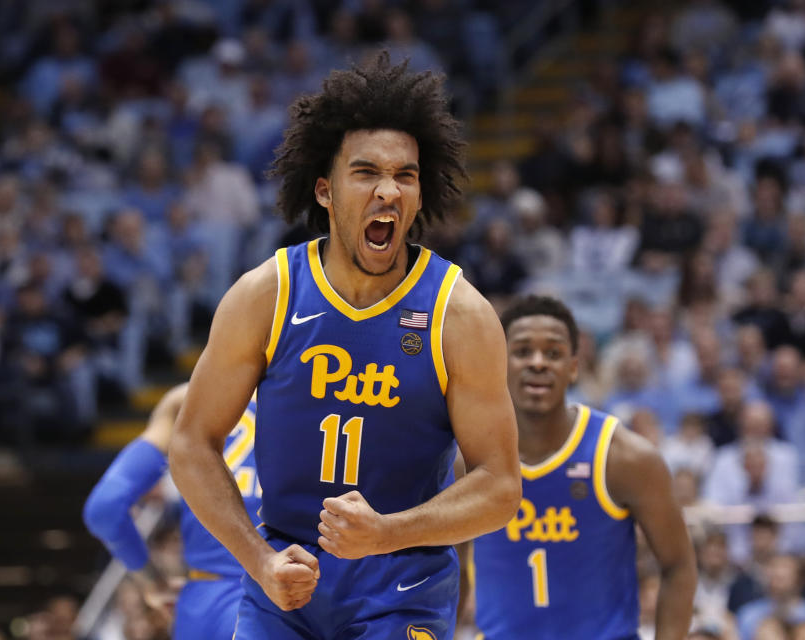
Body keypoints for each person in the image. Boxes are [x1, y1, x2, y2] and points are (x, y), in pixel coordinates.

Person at [169, 53, 521, 640]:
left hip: (403, 583)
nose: (388, 190)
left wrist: (387, 532)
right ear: (326, 191)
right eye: (367, 173)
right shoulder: (266, 295)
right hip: (285, 580)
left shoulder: (459, 315)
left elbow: (500, 487)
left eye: (405, 175)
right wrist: (258, 561)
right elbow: (191, 444)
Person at [471, 295, 697, 639]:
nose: (538, 363)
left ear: (574, 366)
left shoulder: (625, 458)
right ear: (500, 360)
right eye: (522, 351)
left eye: (553, 353)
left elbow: (678, 565)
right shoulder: (469, 459)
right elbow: (445, 569)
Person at [83, 384, 259, 638]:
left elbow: (105, 508)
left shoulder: (184, 400)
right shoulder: (322, 400)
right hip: (288, 603)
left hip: (202, 607)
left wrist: (153, 584)